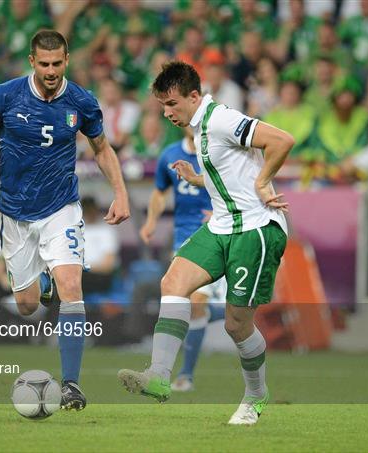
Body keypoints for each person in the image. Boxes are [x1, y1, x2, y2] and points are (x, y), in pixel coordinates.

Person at [118, 61, 293, 425]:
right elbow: (230, 173)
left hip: (255, 230)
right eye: (162, 106)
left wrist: (264, 182)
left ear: (194, 96)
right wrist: (198, 179)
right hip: (222, 226)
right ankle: (160, 376)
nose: (167, 113)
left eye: (172, 104)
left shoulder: (221, 119)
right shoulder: (199, 129)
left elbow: (281, 141)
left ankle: (256, 396)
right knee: (172, 283)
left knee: (236, 324)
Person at [0, 30, 130, 411]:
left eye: (57, 63)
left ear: (67, 61)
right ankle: (40, 280)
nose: (51, 70)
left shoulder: (81, 101)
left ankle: (71, 385)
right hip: (16, 213)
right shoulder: (6, 95)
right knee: (26, 306)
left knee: (72, 285)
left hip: (61, 209)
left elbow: (102, 149)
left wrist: (121, 192)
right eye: (44, 64)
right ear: (31, 62)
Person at [140, 126, 227, 392]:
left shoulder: (218, 154)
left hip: (216, 236)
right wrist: (151, 221)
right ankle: (181, 375)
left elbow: (237, 188)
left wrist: (221, 213)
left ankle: (182, 373)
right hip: (183, 241)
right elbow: (159, 191)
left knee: (198, 305)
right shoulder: (169, 154)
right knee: (190, 303)